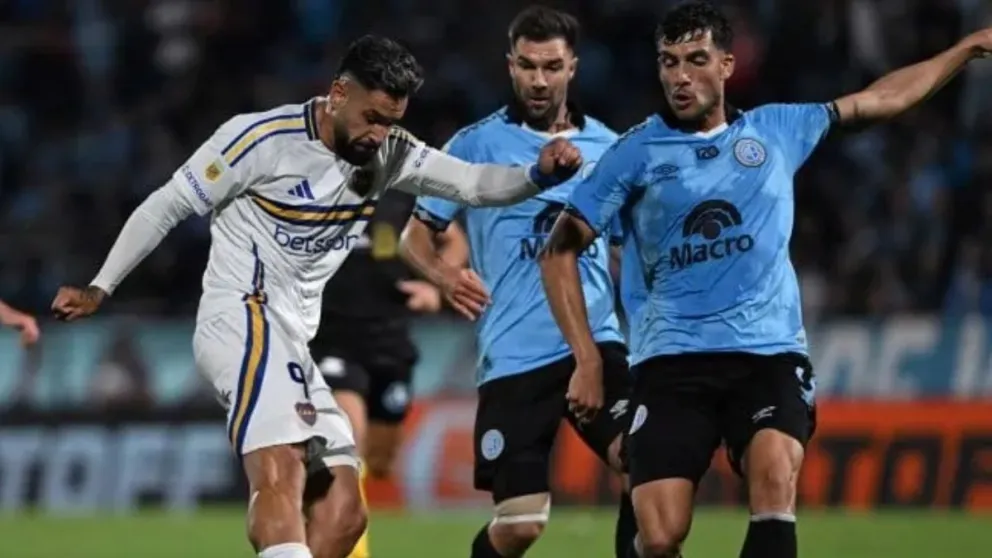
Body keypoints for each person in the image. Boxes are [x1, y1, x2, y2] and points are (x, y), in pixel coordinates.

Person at [50, 34, 584, 558]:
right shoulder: (261, 140)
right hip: (242, 316)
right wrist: (101, 286)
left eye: (391, 121)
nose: (379, 134)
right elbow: (166, 204)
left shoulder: (390, 153)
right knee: (281, 468)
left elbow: (473, 183)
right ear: (339, 93)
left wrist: (537, 173)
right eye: (372, 118)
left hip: (293, 339)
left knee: (344, 510)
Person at [538, 2, 992, 557]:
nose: (680, 76)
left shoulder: (777, 129)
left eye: (696, 59)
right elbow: (558, 249)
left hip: (766, 353)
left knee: (775, 478)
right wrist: (586, 359)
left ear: (727, 64)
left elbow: (881, 99)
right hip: (671, 362)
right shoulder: (634, 153)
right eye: (669, 62)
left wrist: (966, 48)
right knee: (658, 537)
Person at [400, 7, 636, 558]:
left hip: (595, 343)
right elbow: (415, 235)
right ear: (511, 66)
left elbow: (628, 246)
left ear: (572, 67)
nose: (539, 80)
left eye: (551, 66)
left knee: (647, 468)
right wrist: (444, 275)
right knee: (522, 524)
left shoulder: (611, 148)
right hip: (514, 355)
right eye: (527, 66)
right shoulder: (473, 145)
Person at [310, 188, 468, 558]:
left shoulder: (401, 197)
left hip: (389, 341)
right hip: (331, 340)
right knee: (348, 438)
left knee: (381, 461)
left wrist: (434, 285)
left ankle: (325, 510)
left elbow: (454, 241)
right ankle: (352, 549)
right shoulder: (318, 192)